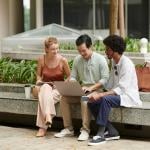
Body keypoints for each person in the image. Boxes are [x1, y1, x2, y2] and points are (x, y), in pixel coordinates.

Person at [87, 35, 142, 146]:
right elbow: (110, 84)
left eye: (107, 49)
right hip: (118, 95)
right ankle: (112, 131)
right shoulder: (115, 63)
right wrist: (95, 92)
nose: (105, 51)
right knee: (91, 102)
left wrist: (102, 95)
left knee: (105, 99)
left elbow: (121, 88)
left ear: (114, 50)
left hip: (128, 97)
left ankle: (100, 134)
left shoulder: (127, 64)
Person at [54, 34, 109, 141]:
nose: (82, 53)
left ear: (90, 46)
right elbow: (73, 76)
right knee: (64, 98)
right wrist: (74, 85)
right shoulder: (77, 60)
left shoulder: (101, 59)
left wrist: (91, 88)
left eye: (84, 50)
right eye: (79, 51)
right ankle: (68, 129)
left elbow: (105, 79)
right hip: (82, 90)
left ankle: (85, 130)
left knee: (84, 100)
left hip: (96, 90)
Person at [35, 37, 70, 137]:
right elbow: (38, 75)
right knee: (45, 88)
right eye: (53, 49)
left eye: (57, 48)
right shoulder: (41, 59)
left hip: (59, 87)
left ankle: (42, 128)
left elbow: (69, 76)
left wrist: (63, 84)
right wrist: (38, 81)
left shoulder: (63, 60)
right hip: (46, 86)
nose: (56, 51)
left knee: (45, 97)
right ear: (46, 49)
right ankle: (48, 116)